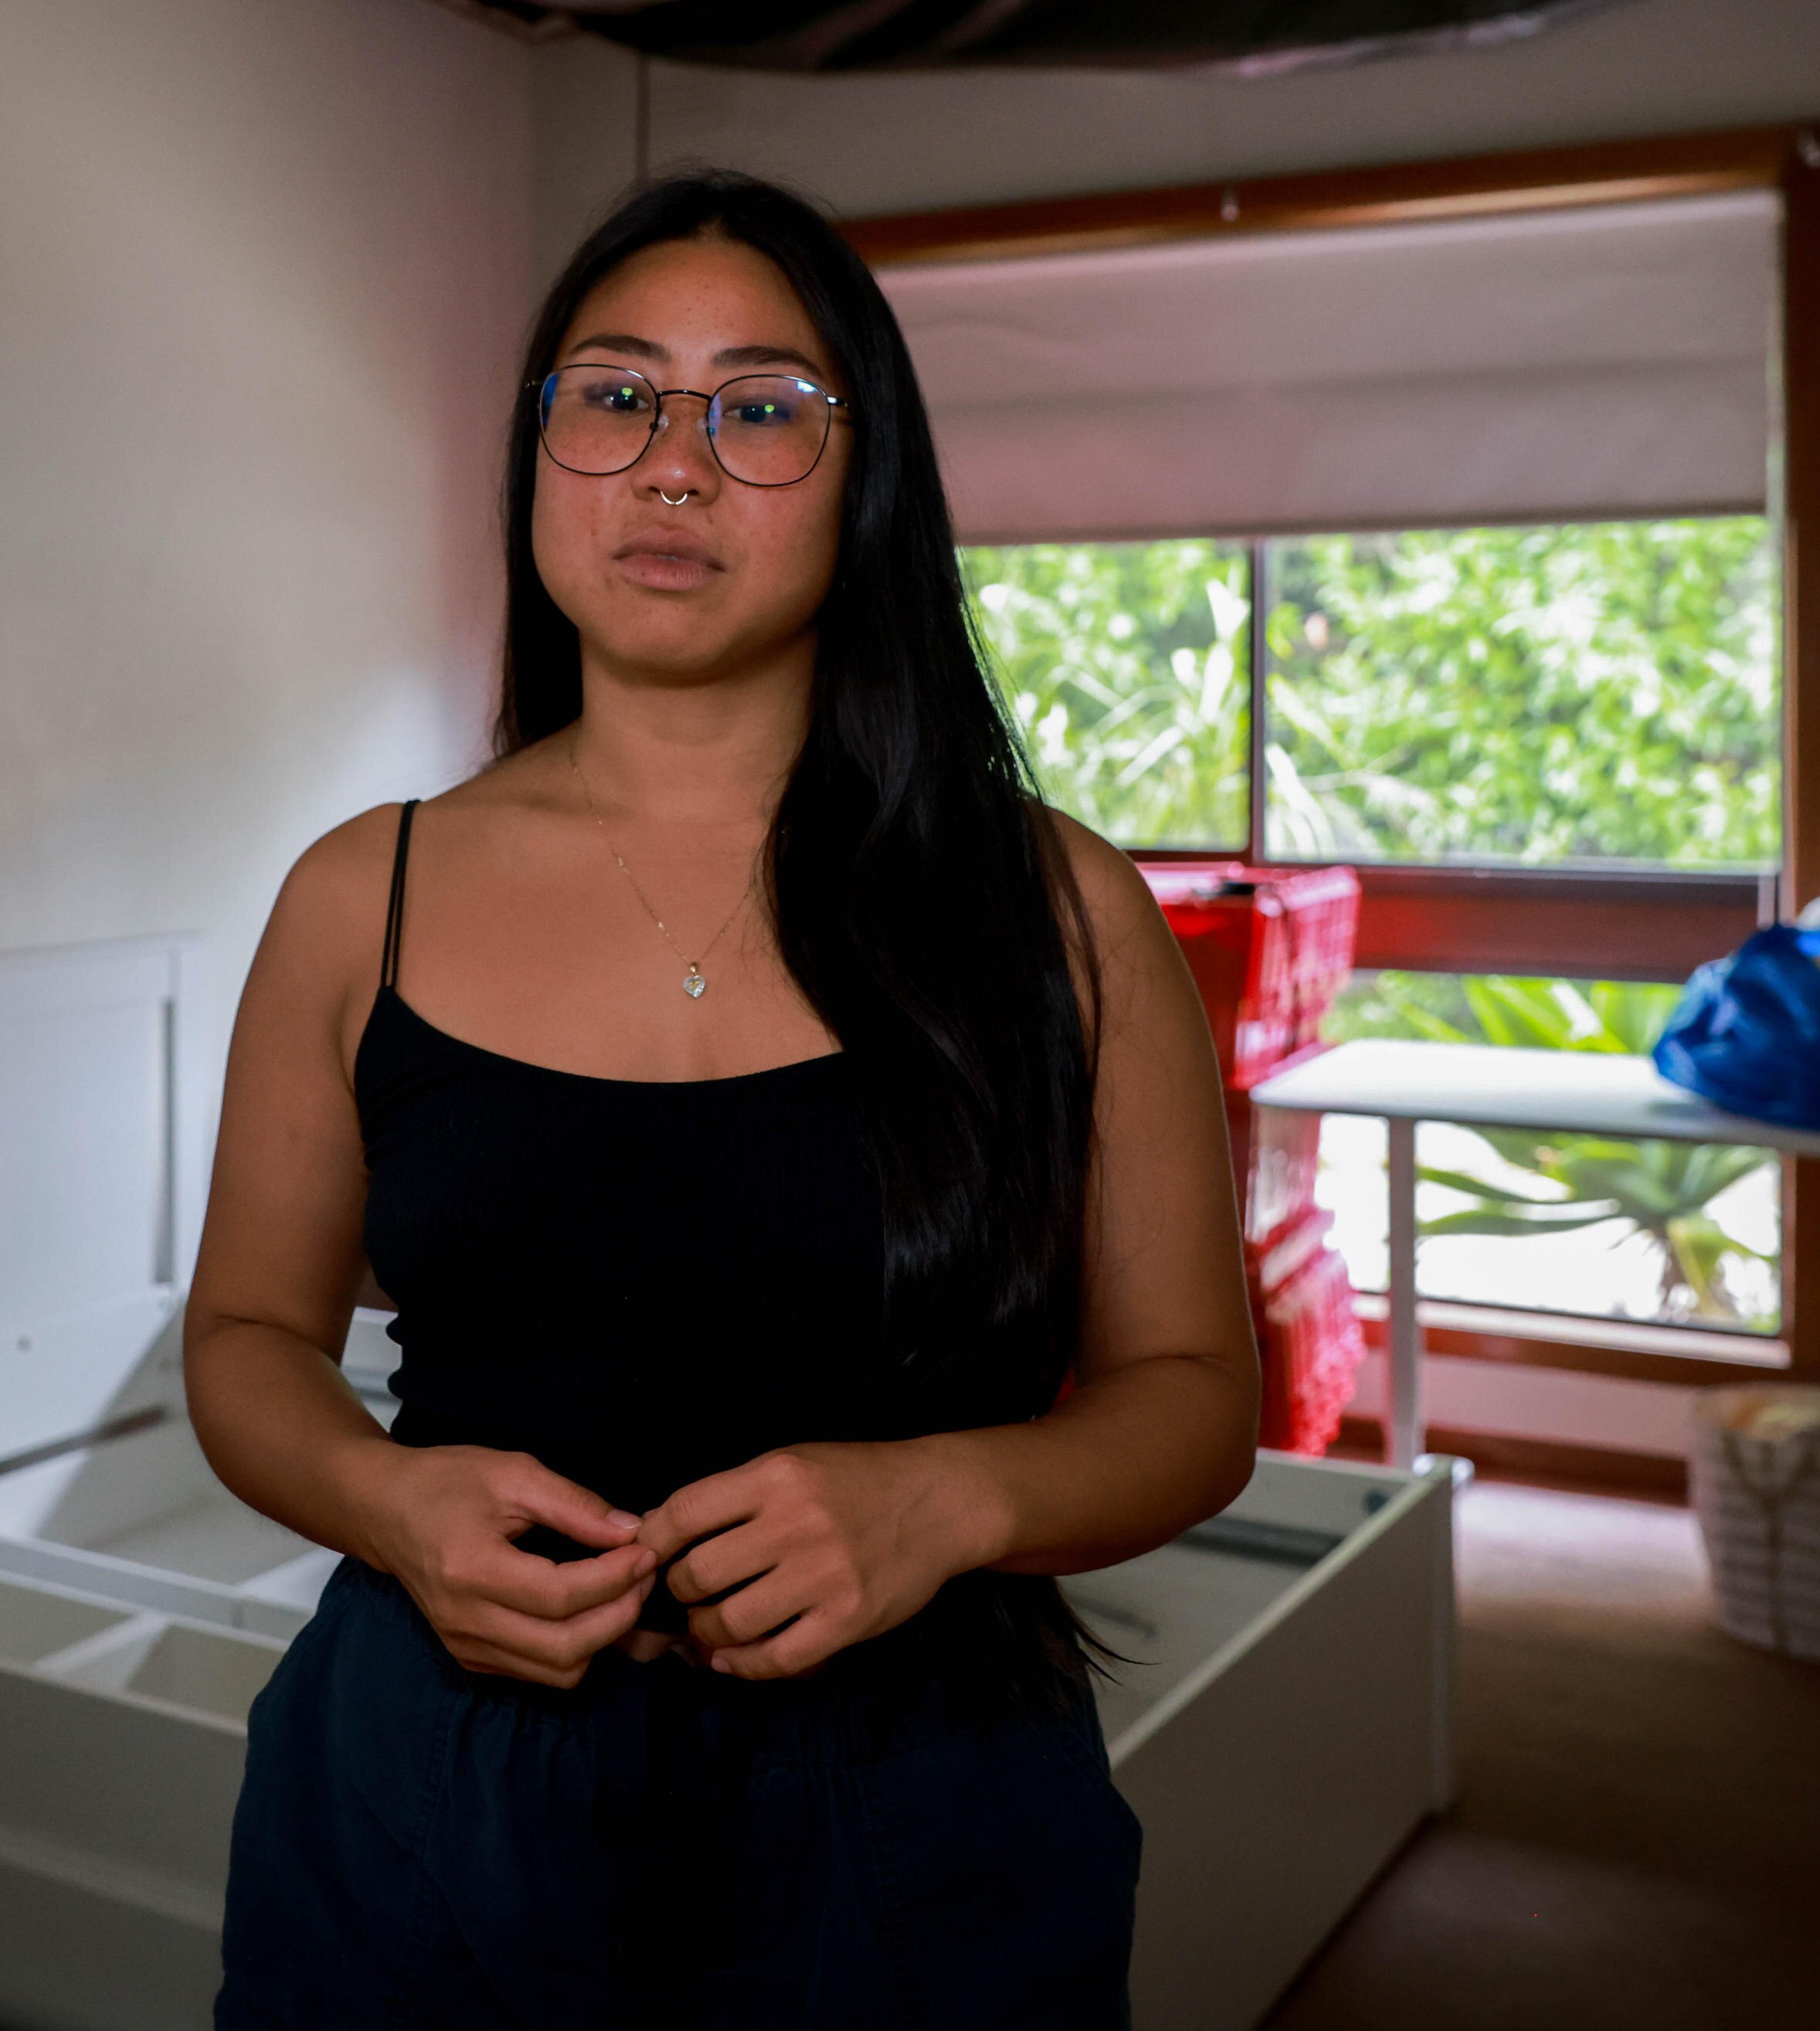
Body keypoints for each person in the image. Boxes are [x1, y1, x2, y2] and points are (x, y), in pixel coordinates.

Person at [186, 172, 1257, 2027]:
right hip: (426, 1797)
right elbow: (248, 1338)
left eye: (761, 409)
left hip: (921, 1804)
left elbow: (1194, 1401)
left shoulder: (1059, 912)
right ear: (538, 454)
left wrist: (950, 1499)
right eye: (612, 396)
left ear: (868, 484)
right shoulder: (362, 891)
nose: (671, 465)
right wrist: (383, 1499)